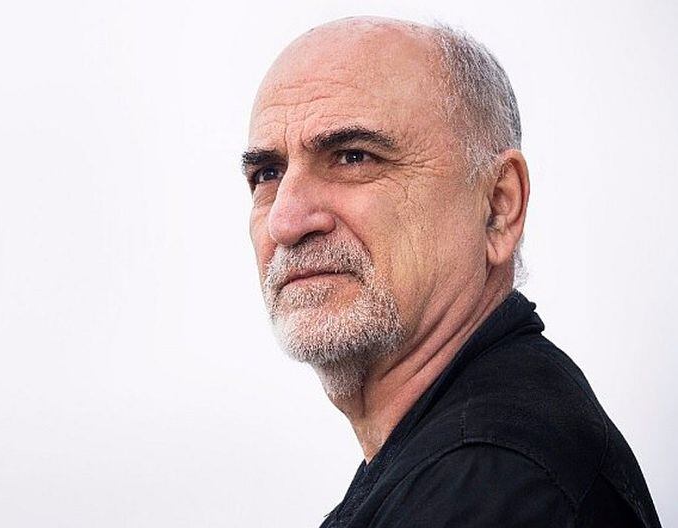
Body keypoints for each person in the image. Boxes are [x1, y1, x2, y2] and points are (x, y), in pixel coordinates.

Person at [243, 17, 661, 527]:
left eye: (353, 157)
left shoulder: (495, 483)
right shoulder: (450, 460)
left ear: (498, 206)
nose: (286, 222)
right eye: (267, 174)